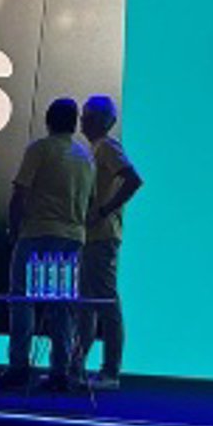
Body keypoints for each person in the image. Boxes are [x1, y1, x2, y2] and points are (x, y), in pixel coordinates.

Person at [0, 97, 94, 392]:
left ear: (49, 120)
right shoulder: (85, 156)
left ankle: (18, 366)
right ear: (74, 123)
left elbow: (20, 192)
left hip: (37, 232)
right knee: (62, 305)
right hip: (72, 237)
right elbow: (90, 200)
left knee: (22, 300)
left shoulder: (39, 149)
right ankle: (59, 371)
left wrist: (14, 228)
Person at [72, 93, 142, 390]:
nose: (82, 120)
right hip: (91, 235)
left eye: (88, 116)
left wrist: (103, 210)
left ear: (102, 121)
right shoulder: (94, 148)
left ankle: (110, 371)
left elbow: (133, 180)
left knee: (105, 303)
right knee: (87, 304)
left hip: (102, 235)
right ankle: (76, 367)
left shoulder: (108, 147)